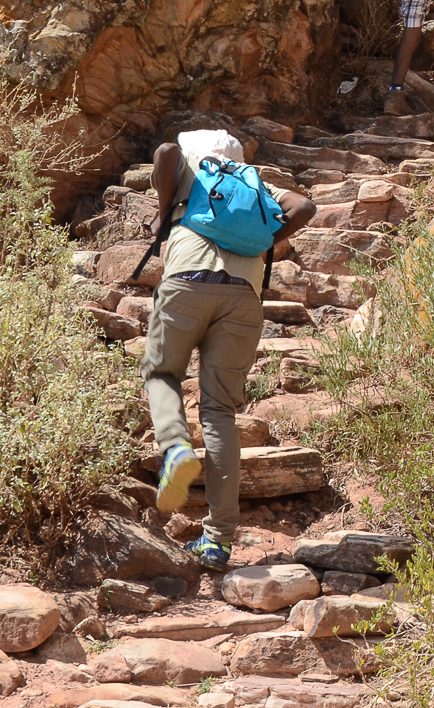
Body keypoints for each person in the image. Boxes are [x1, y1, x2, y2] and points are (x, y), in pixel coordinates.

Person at [141, 130, 316, 569]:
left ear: (194, 152)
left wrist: (166, 214)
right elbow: (305, 206)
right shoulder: (255, 183)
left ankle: (176, 447)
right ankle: (218, 540)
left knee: (162, 374)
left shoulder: (191, 171)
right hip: (244, 298)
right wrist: (264, 241)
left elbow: (164, 150)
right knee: (219, 413)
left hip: (187, 284)